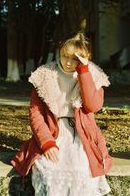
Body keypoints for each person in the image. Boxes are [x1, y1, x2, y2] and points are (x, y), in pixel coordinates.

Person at [11, 31, 112, 196]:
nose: (68, 62)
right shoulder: (45, 75)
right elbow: (35, 114)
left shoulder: (94, 75)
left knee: (82, 169)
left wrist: (84, 71)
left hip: (82, 135)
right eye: (65, 56)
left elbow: (93, 106)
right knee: (48, 168)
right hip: (52, 132)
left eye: (75, 58)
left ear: (87, 56)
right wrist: (47, 143)